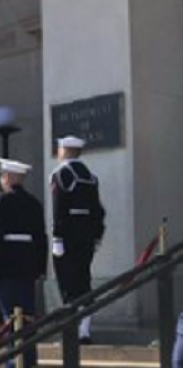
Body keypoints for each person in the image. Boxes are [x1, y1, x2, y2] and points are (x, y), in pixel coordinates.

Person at [0, 159, 48, 368]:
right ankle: (28, 361)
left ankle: (14, 365)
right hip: (28, 266)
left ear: (9, 177)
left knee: (10, 317)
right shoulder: (34, 203)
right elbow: (41, 238)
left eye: (3, 176)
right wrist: (40, 268)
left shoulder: (0, 201)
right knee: (26, 315)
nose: (1, 180)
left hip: (7, 266)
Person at [50, 135, 106, 343]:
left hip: (68, 235)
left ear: (65, 151)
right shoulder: (90, 176)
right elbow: (98, 210)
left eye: (60, 149)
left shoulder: (61, 174)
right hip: (87, 236)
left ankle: (72, 331)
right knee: (83, 279)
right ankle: (84, 329)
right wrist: (97, 234)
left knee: (67, 283)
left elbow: (59, 207)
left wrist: (57, 237)